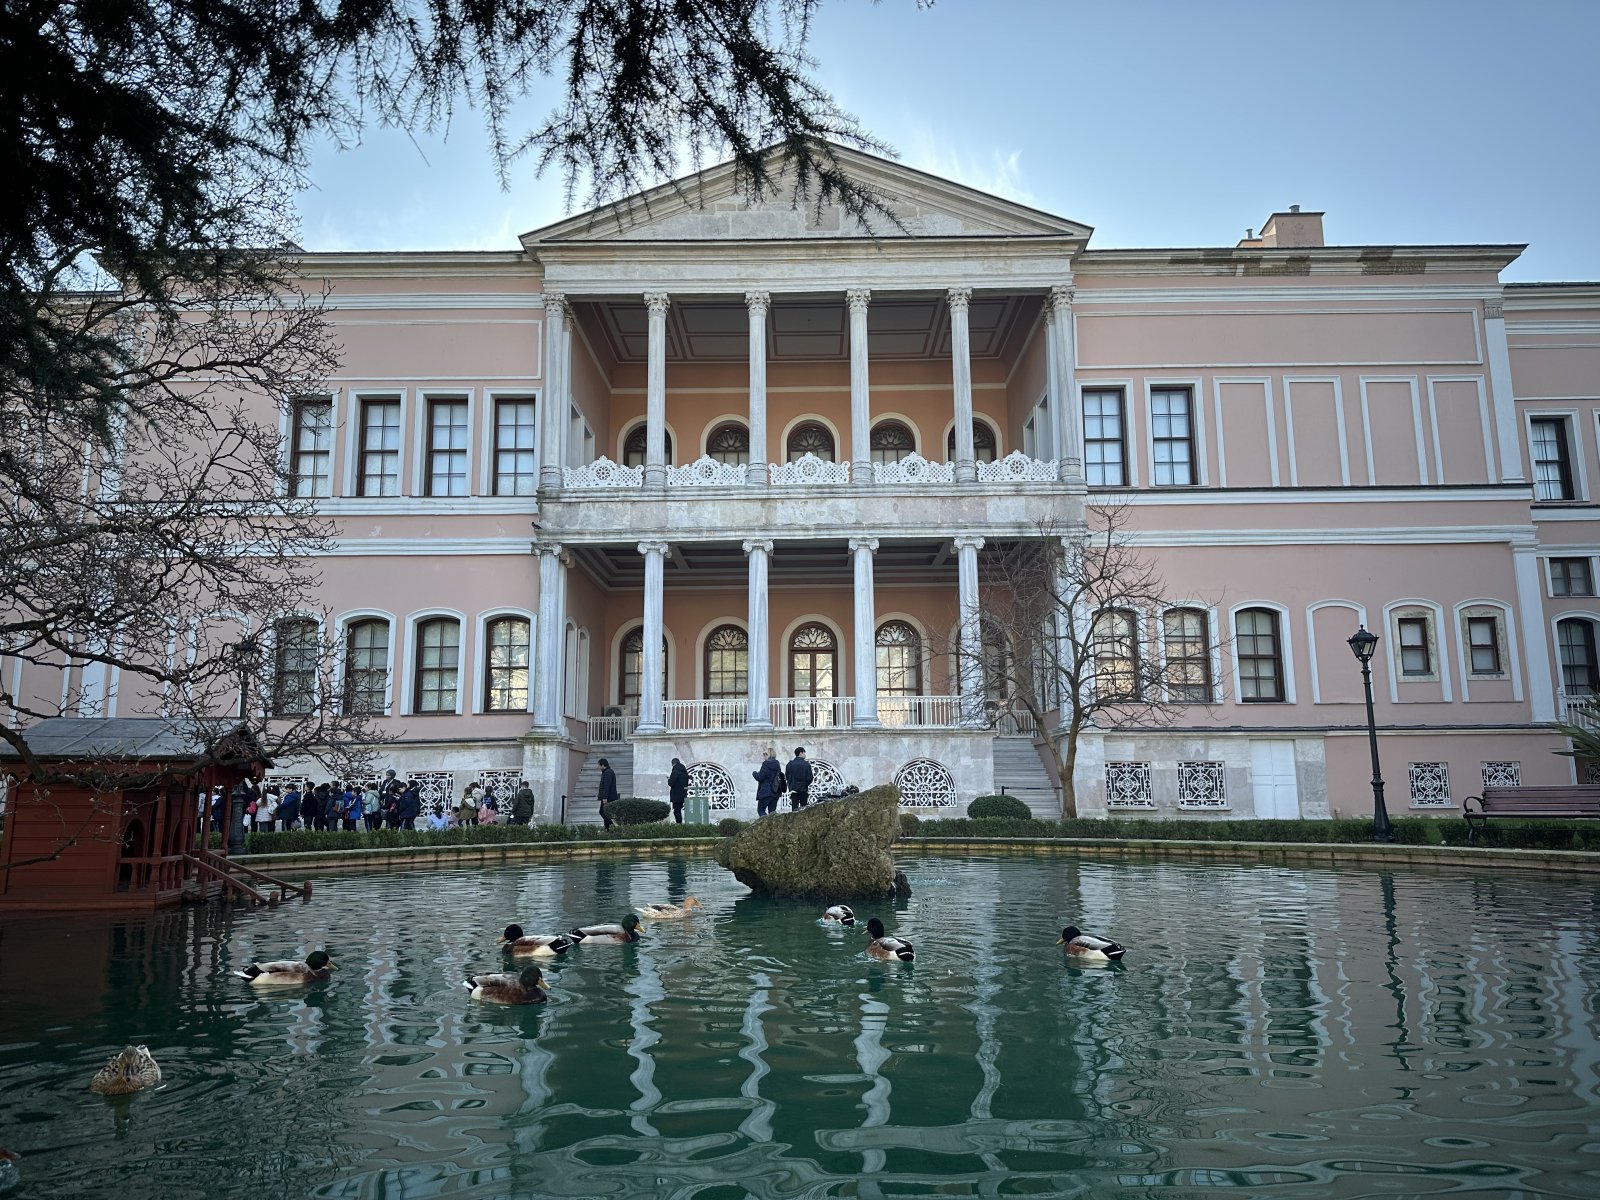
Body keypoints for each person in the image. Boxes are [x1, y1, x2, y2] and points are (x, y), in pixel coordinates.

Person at [753, 749, 783, 818]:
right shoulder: (777, 764)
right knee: (772, 812)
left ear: (768, 755)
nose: (763, 756)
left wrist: (754, 773)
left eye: (764, 754)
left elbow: (760, 777)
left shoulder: (765, 764)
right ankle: (773, 827)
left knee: (761, 810)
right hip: (775, 792)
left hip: (765, 792)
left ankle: (765, 826)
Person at [597, 757, 618, 829]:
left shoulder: (608, 773)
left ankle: (610, 828)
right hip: (608, 797)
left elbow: (607, 786)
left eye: (599, 765)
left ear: (602, 765)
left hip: (608, 798)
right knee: (604, 813)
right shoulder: (606, 772)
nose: (598, 767)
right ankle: (609, 827)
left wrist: (605, 797)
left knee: (604, 812)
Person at [668, 757, 689, 824]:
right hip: (683, 794)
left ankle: (679, 825)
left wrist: (669, 779)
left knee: (676, 811)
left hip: (676, 795)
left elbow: (671, 783)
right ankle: (680, 824)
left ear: (673, 764)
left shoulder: (675, 772)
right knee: (679, 810)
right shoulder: (685, 772)